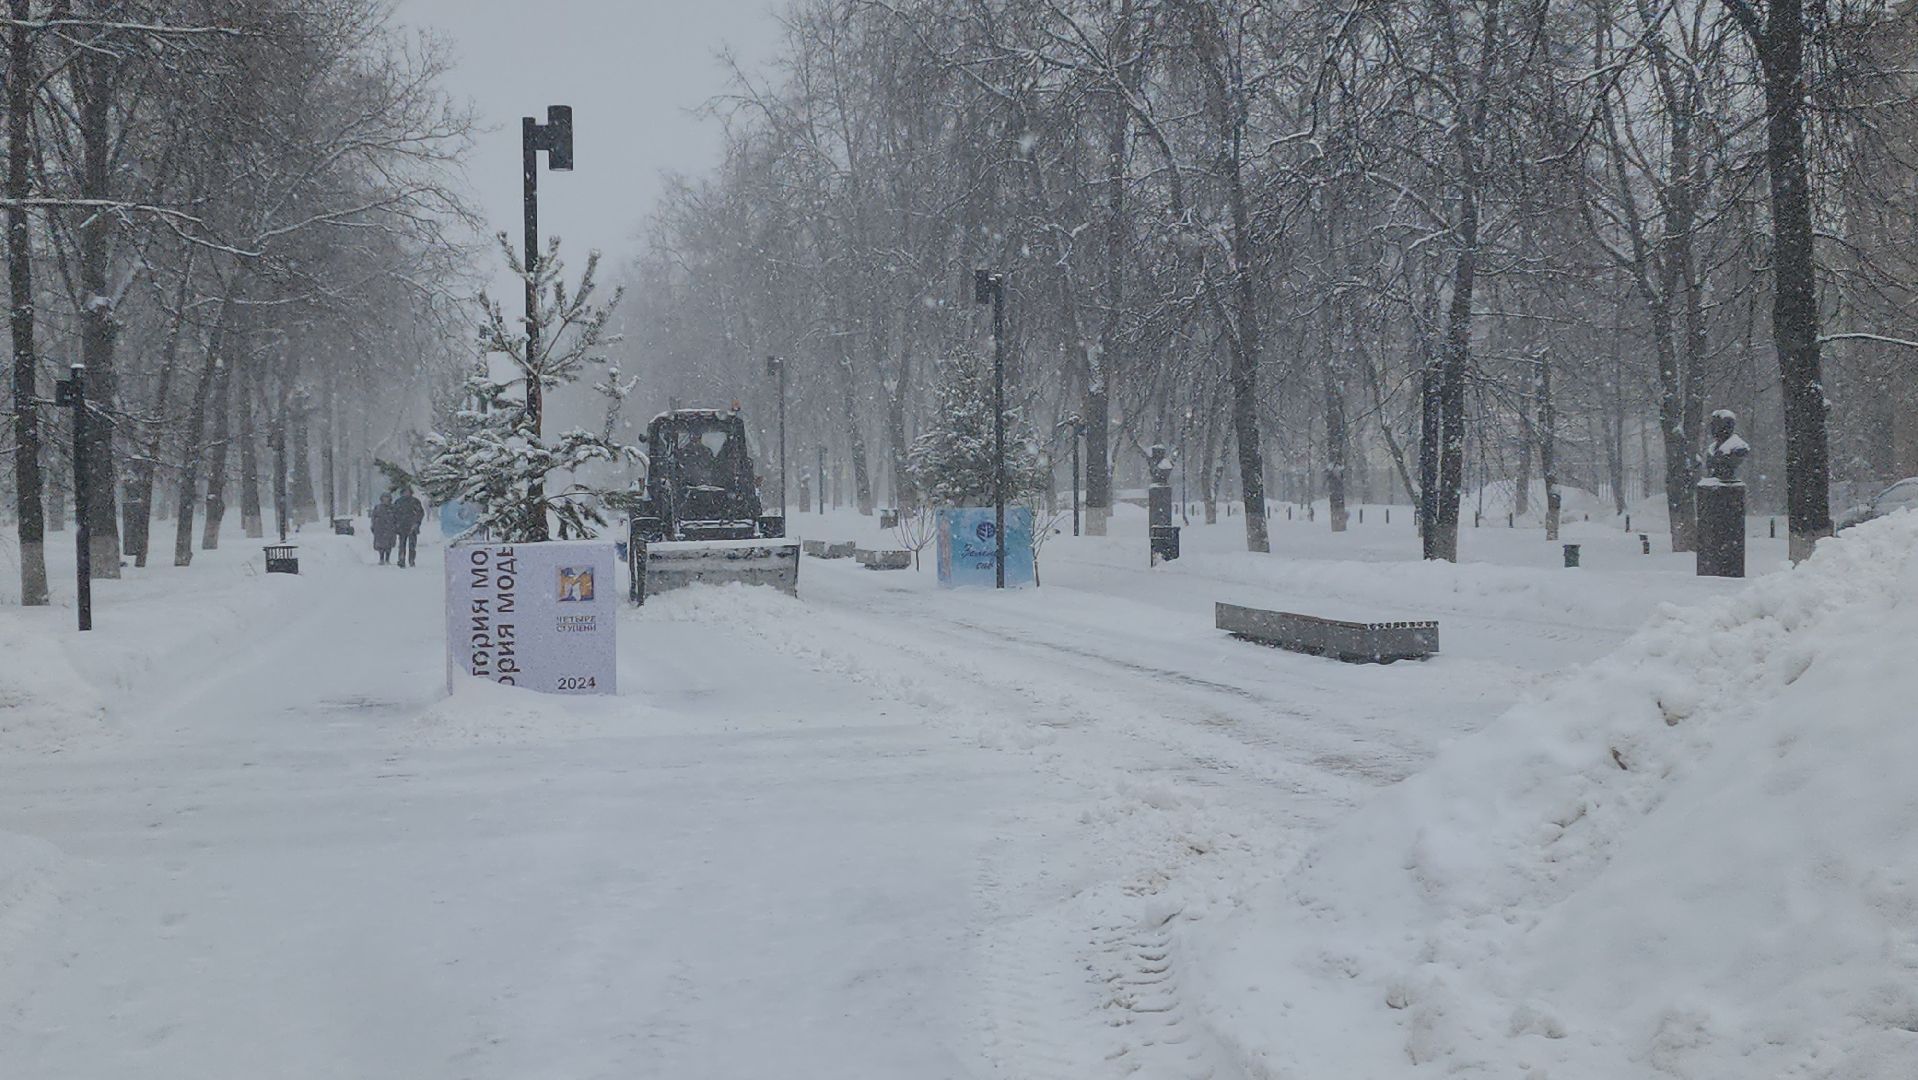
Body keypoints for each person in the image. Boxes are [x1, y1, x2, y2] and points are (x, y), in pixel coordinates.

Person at [393, 489, 425, 568]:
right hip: (402, 527)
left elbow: (420, 513)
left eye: (408, 492)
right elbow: (394, 514)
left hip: (412, 527)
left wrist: (417, 523)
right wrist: (396, 524)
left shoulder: (415, 501)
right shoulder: (398, 502)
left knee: (412, 545)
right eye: (404, 492)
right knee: (401, 545)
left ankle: (411, 560)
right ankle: (401, 560)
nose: (406, 493)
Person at [371, 493, 396, 565]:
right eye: (384, 498)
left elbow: (396, 517)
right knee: (380, 544)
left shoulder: (393, 507)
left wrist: (395, 525)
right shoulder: (378, 507)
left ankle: (387, 559)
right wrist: (373, 525)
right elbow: (374, 516)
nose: (386, 499)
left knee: (389, 544)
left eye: (387, 498)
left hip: (390, 528)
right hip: (380, 528)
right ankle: (381, 558)